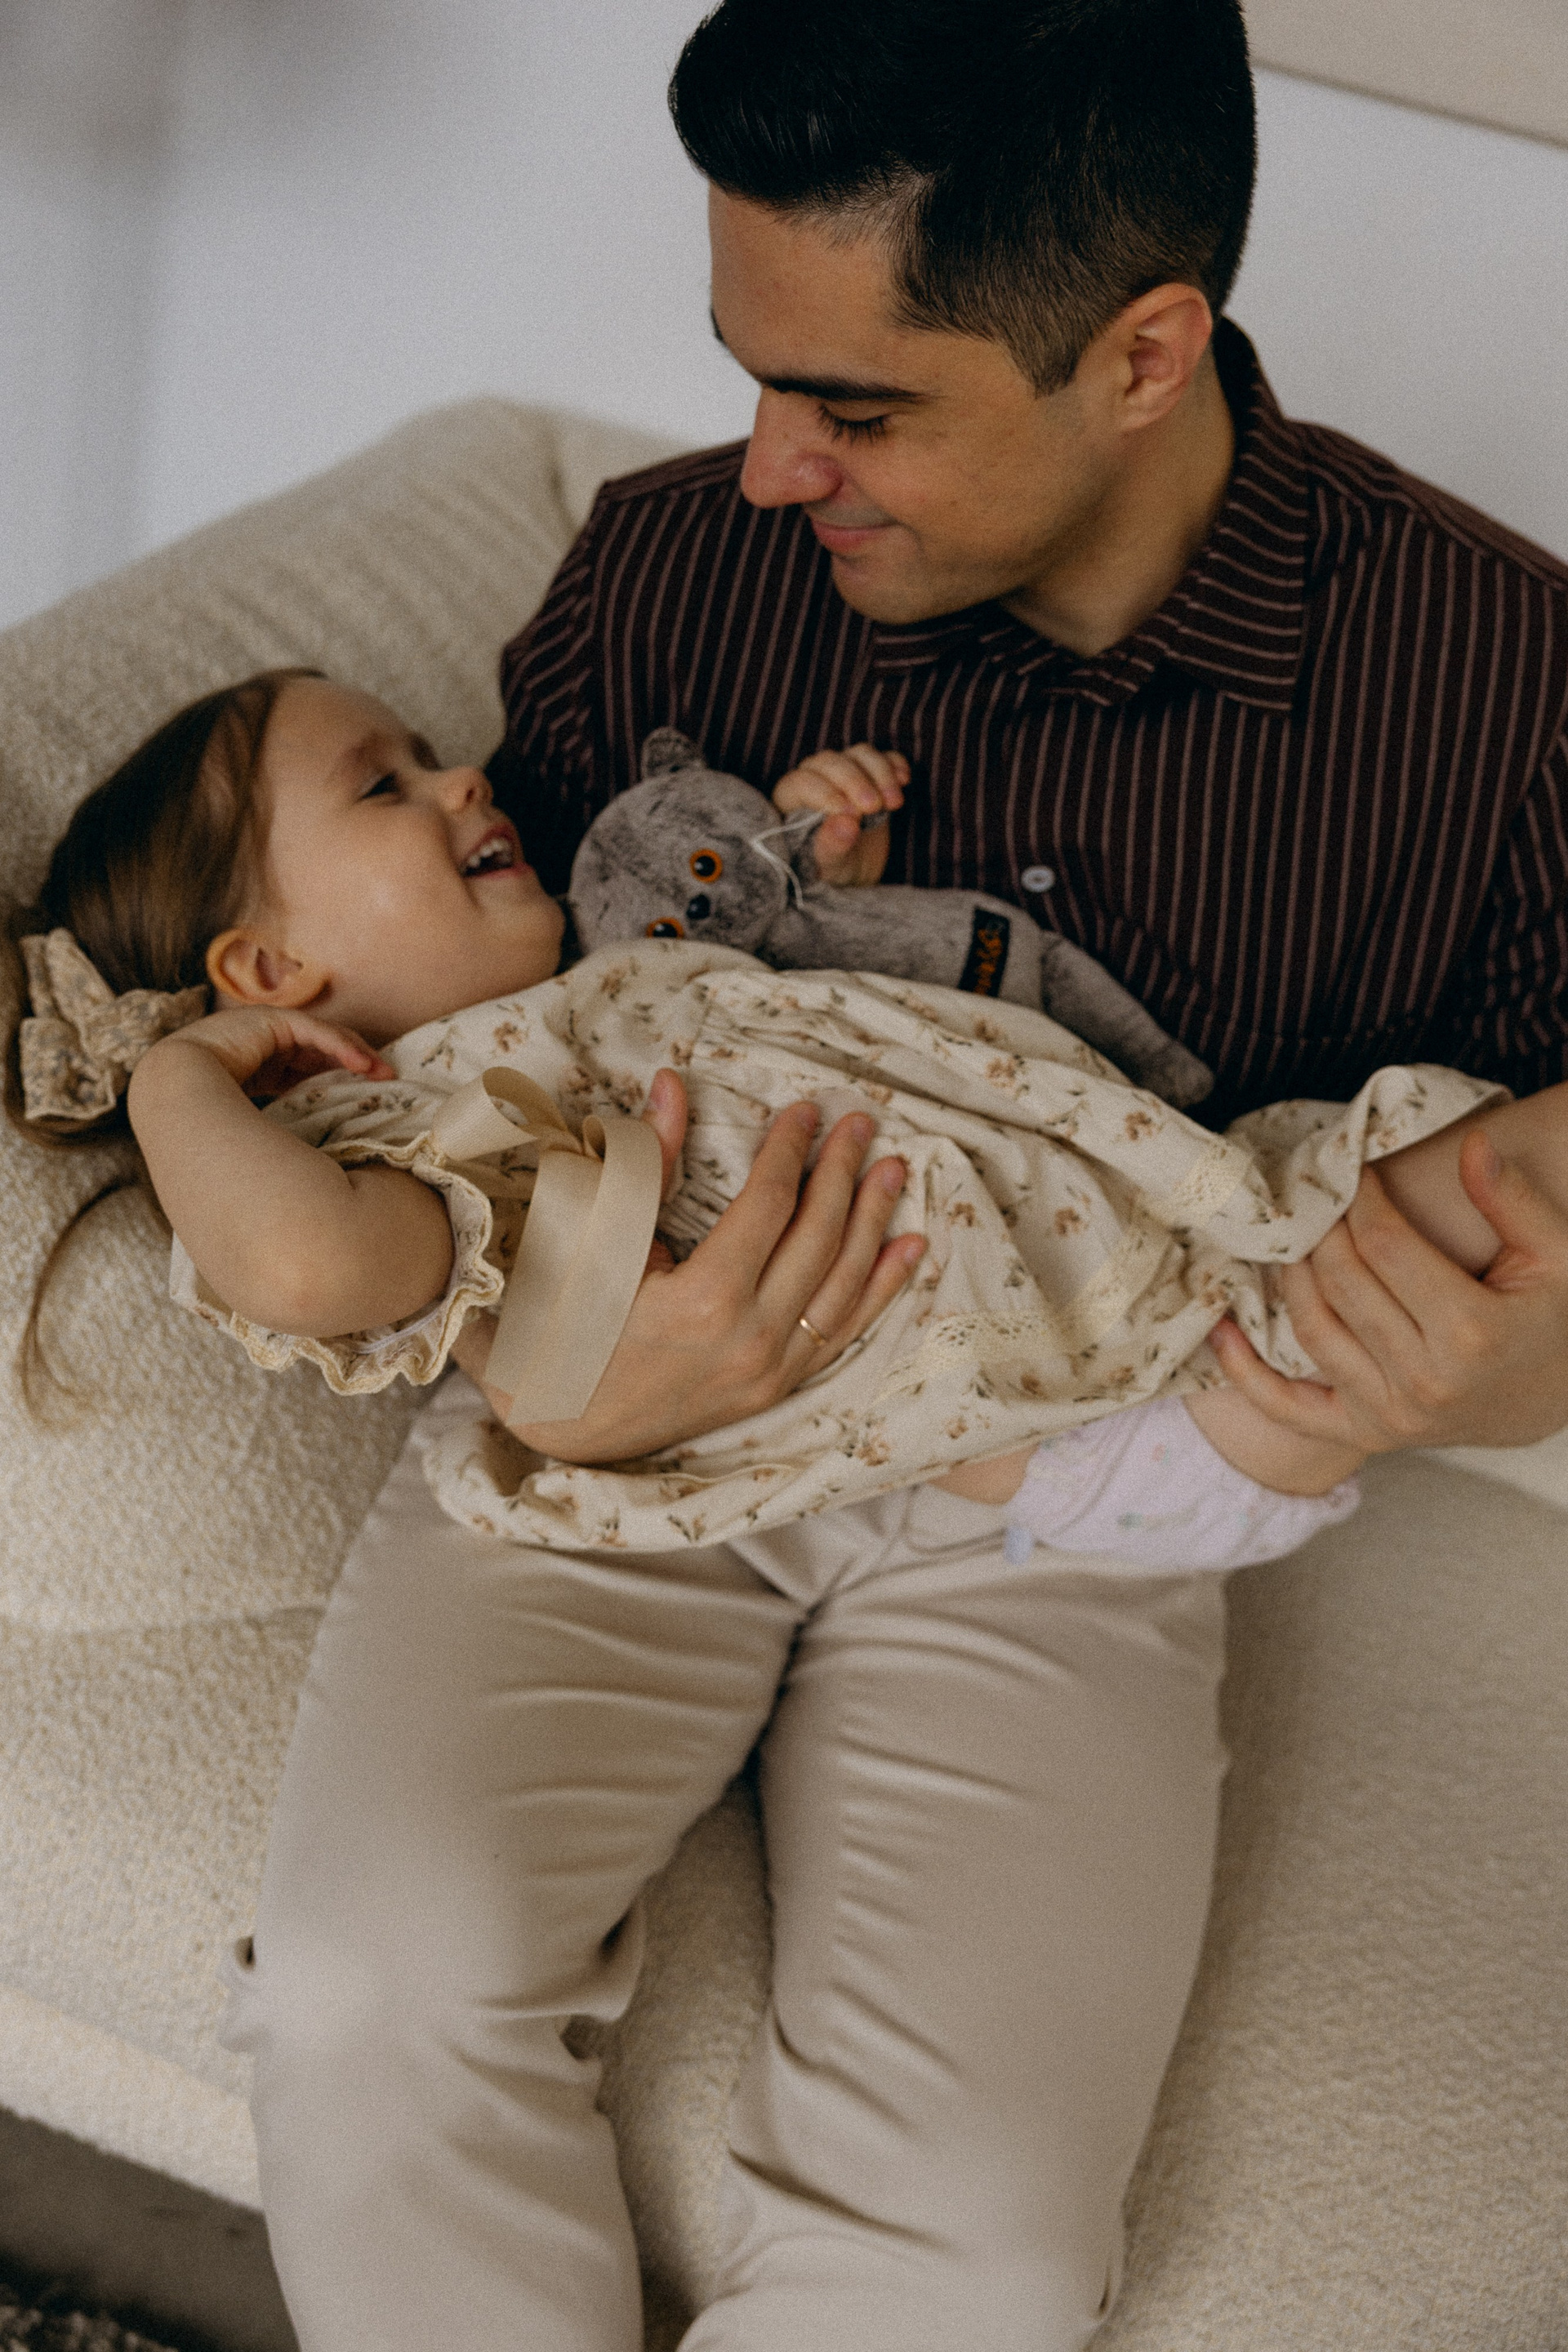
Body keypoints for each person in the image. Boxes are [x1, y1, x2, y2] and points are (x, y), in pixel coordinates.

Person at [11, 661, 1562, 2352]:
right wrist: (182, 1079)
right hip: (605, 1492)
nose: (471, 778)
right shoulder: (402, 1118)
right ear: (268, 974)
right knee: (373, 1987)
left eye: (432, 756)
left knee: (983, 2251)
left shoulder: (646, 969)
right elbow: (304, 1267)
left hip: (1039, 1437)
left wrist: (815, 877)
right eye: (387, 783)